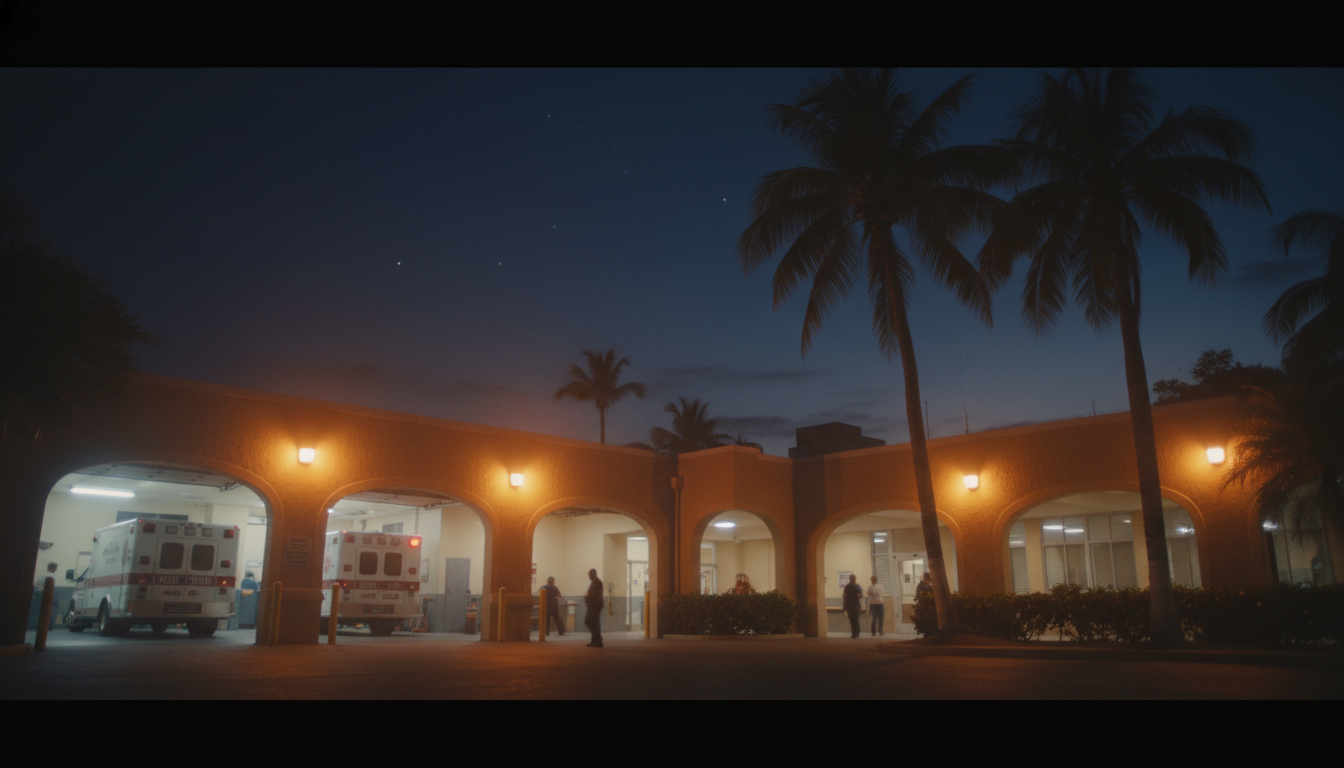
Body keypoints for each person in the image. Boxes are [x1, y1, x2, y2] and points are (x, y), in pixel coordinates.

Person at [584, 568, 604, 647]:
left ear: (593, 574)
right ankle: (596, 640)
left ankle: (597, 637)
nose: (589, 577)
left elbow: (594, 592)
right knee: (594, 623)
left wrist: (587, 596)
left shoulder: (596, 581)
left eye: (589, 575)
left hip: (595, 605)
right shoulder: (595, 581)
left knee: (588, 621)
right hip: (594, 604)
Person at [842, 573, 863, 639]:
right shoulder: (848, 587)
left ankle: (856, 632)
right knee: (852, 619)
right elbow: (845, 596)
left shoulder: (855, 587)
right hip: (850, 605)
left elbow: (861, 595)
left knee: (855, 619)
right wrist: (844, 606)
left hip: (855, 605)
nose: (852, 579)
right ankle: (855, 632)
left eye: (853, 578)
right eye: (851, 578)